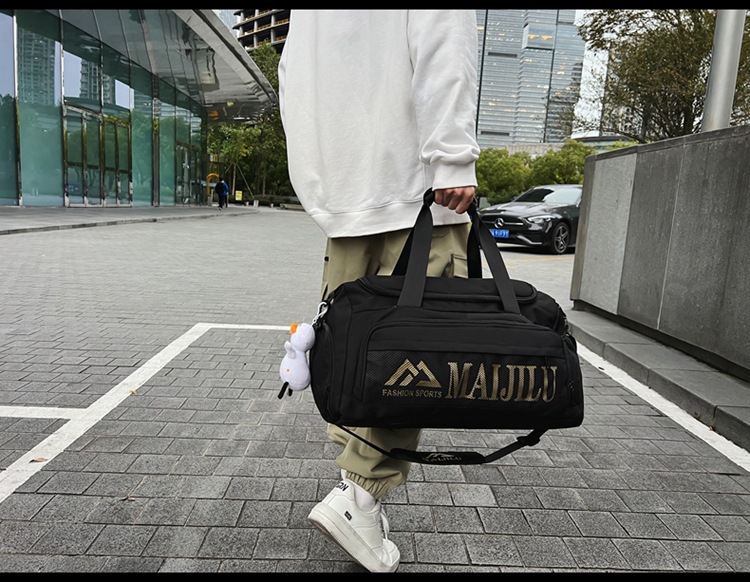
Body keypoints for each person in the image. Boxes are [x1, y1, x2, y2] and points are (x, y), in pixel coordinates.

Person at [278, 10, 480, 573]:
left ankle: (355, 492)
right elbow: (443, 37)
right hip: (415, 188)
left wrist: (320, 178)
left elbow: (293, 74)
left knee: (350, 352)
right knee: (415, 357)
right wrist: (452, 154)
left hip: (345, 195)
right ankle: (360, 501)